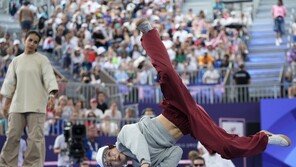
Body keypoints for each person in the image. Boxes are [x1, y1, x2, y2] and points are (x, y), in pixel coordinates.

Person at [95, 19, 291, 167]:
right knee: (225, 148)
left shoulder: (123, 136)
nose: (113, 160)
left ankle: (148, 33)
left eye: (109, 156)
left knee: (167, 74)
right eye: (110, 164)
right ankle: (264, 137)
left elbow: (137, 139)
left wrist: (146, 163)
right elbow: (176, 152)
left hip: (176, 108)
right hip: (190, 124)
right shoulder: (139, 162)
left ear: (112, 148)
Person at [0, 30, 59, 167]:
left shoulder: (42, 60)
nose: (32, 43)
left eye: (35, 42)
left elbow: (49, 78)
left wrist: (51, 95)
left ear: (38, 45)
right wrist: (5, 103)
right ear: (24, 40)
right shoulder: (16, 61)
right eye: (30, 40)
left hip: (37, 105)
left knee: (35, 141)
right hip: (17, 105)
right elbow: (9, 84)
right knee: (12, 137)